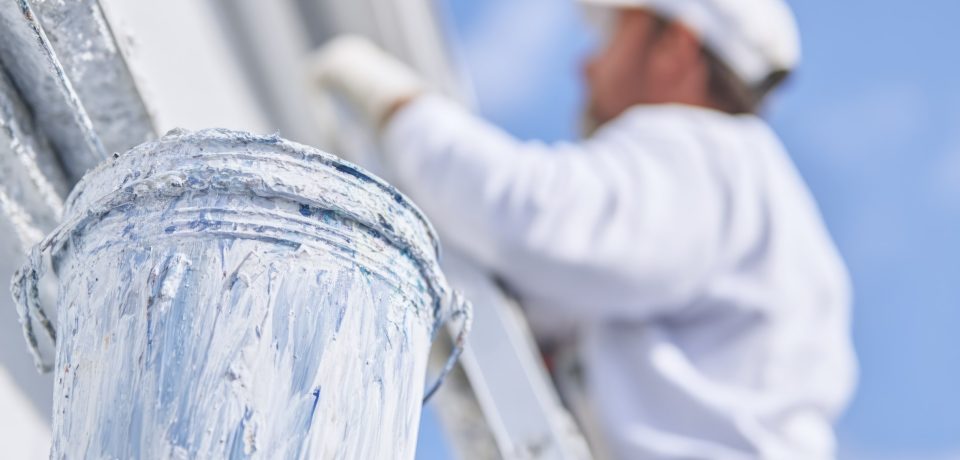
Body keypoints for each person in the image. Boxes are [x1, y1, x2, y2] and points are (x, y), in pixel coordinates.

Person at [312, 0, 857, 457]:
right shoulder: (750, 199)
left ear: (675, 47)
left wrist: (396, 103)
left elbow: (526, 217)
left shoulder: (710, 155)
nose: (587, 66)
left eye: (614, 34)